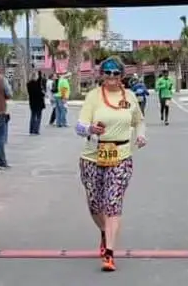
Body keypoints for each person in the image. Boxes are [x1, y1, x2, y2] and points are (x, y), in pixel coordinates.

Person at [75, 56, 147, 272]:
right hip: (93, 156)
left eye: (116, 73)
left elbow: (139, 121)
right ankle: (106, 232)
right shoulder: (93, 97)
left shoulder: (131, 97)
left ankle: (109, 253)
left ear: (122, 75)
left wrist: (141, 135)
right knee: (96, 205)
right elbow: (79, 126)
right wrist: (90, 129)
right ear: (101, 74)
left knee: (112, 203)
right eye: (107, 72)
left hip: (121, 155)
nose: (112, 77)